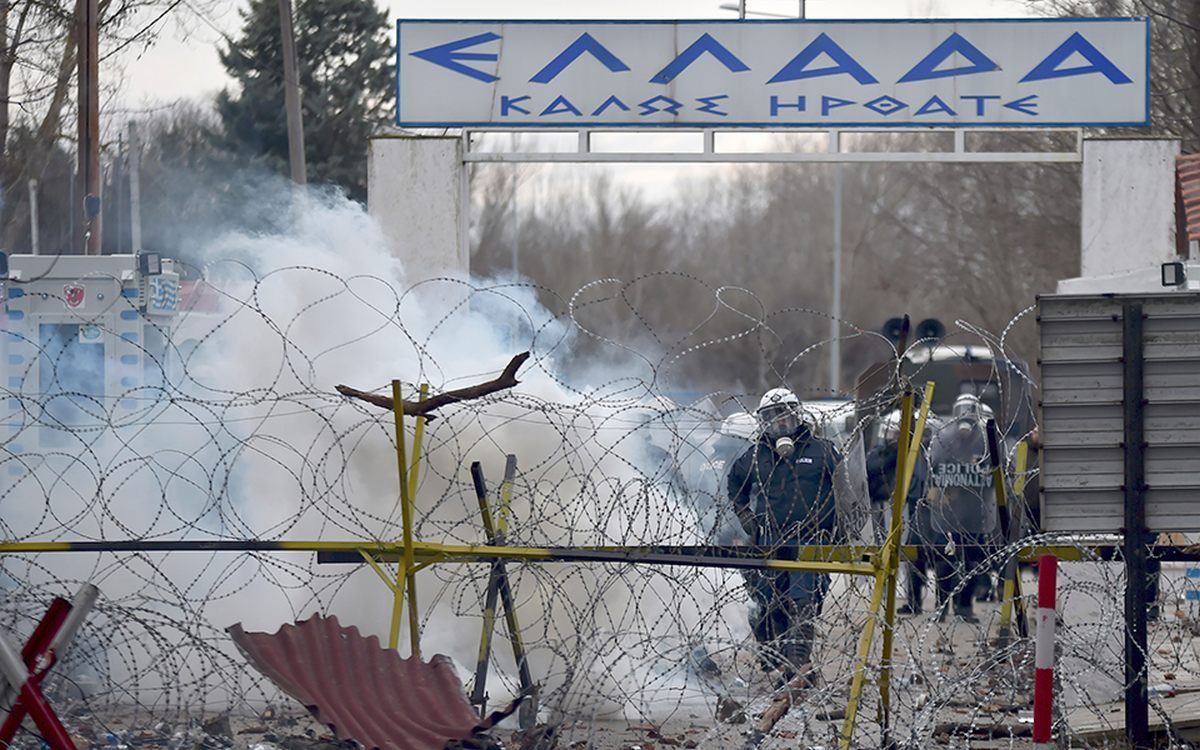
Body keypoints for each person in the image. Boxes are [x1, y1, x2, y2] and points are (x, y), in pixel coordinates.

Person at [728, 387, 842, 680]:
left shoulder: (824, 450)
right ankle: (781, 664)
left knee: (802, 603)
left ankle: (797, 669)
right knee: (770, 604)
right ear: (763, 422)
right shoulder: (755, 456)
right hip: (770, 540)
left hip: (810, 540)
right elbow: (735, 483)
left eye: (786, 417)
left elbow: (848, 488)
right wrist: (745, 516)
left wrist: (840, 528)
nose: (780, 424)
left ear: (798, 417)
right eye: (772, 418)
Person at [922, 394, 1000, 623]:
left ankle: (965, 607)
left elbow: (998, 471)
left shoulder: (986, 440)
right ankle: (942, 606)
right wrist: (937, 489)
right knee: (944, 563)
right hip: (948, 512)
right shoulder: (943, 439)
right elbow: (932, 469)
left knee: (973, 563)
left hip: (977, 513)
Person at [866, 409, 933, 615]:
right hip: (885, 504)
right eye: (894, 434)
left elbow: (921, 480)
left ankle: (913, 596)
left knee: (912, 551)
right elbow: (871, 469)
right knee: (885, 548)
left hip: (912, 506)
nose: (896, 438)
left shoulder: (920, 454)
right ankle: (884, 587)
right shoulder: (882, 452)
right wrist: (894, 453)